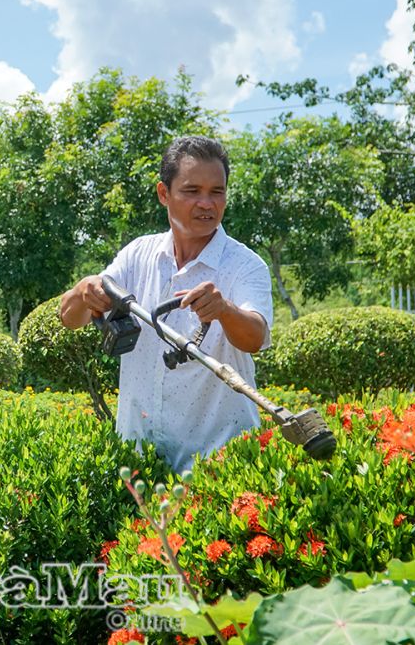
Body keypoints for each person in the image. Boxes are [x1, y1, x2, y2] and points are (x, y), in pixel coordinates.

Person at [60, 135, 273, 473]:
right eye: (192, 191)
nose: (207, 203)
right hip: (139, 460)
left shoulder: (246, 265)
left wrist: (225, 311)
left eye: (217, 192)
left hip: (217, 464)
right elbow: (70, 317)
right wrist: (84, 289)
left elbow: (256, 338)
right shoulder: (137, 255)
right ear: (164, 194)